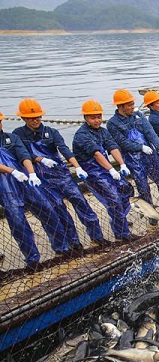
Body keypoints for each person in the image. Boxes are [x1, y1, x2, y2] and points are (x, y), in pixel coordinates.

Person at [13, 98, 104, 251]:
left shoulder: (51, 132)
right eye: (31, 118)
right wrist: (39, 159)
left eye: (37, 117)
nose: (35, 120)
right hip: (43, 178)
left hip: (61, 174)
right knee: (59, 209)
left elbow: (64, 149)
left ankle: (98, 238)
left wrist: (77, 167)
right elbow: (22, 154)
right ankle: (73, 244)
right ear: (23, 118)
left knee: (81, 203)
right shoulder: (18, 134)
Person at [0, 112, 70, 270]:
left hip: (24, 181)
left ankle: (62, 247)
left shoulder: (11, 138)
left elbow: (23, 155)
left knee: (47, 211)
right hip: (5, 188)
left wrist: (31, 173)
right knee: (18, 222)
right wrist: (11, 171)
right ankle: (32, 258)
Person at [107, 88, 159, 222]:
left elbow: (149, 132)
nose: (132, 107)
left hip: (150, 156)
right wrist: (140, 147)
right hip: (133, 160)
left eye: (132, 104)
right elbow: (122, 143)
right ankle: (152, 220)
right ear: (120, 106)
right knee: (144, 189)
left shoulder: (139, 115)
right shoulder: (112, 123)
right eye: (129, 105)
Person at [72, 100, 135, 242]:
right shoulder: (82, 135)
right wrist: (112, 169)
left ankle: (120, 221)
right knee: (113, 199)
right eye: (93, 118)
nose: (97, 120)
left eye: (99, 117)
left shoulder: (103, 131)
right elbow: (96, 154)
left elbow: (112, 147)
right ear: (86, 118)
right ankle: (122, 234)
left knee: (127, 189)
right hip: (93, 173)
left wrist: (122, 164)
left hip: (105, 169)